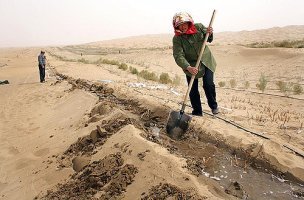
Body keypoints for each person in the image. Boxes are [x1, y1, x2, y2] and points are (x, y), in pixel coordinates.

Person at [172, 12, 219, 116]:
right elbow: (178, 56)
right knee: (192, 89)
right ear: (176, 26)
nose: (183, 27)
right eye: (180, 25)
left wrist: (210, 33)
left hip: (206, 60)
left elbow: (209, 39)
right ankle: (197, 112)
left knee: (208, 84)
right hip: (190, 65)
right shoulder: (177, 39)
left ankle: (214, 107)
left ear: (189, 22)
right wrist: (188, 67)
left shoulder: (198, 27)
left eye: (185, 23)